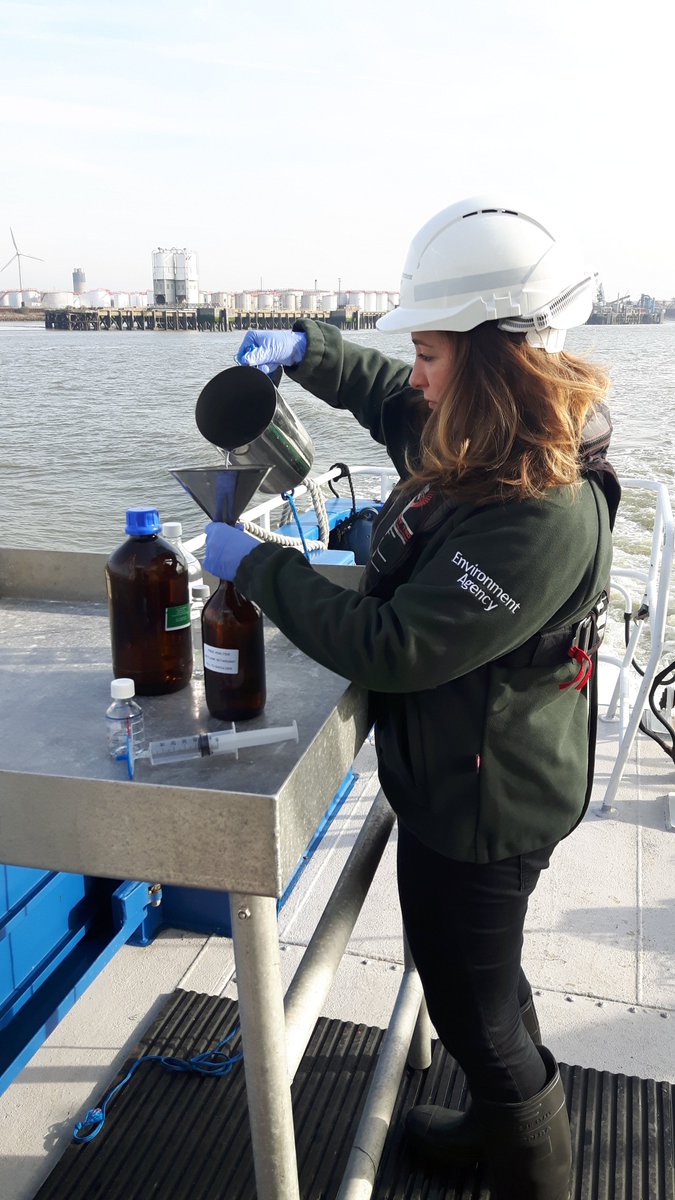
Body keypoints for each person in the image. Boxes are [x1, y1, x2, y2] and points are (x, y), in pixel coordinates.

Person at [203, 197, 617, 1200]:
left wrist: (256, 568)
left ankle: (531, 1170)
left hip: (488, 801)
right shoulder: (478, 435)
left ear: (492, 358)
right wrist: (308, 350)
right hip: (458, 777)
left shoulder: (540, 506)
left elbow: (391, 646)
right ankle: (489, 1125)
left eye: (433, 352)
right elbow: (392, 398)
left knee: (474, 1007)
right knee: (482, 978)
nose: (418, 374)